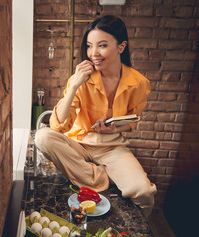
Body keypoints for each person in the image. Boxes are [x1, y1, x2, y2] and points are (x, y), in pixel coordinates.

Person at [35, 15, 157, 217]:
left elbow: (131, 122)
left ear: (121, 46)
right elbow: (58, 126)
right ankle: (101, 177)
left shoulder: (139, 83)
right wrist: (74, 84)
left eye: (101, 45)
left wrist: (114, 128)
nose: (93, 53)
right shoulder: (81, 78)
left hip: (112, 148)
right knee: (43, 136)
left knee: (144, 193)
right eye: (90, 46)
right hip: (78, 143)